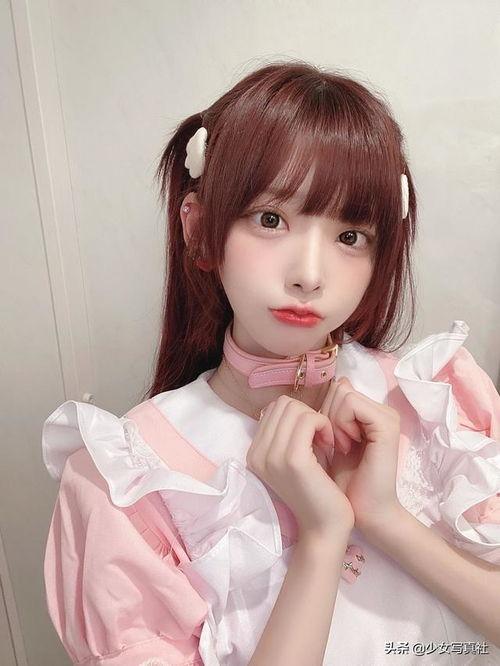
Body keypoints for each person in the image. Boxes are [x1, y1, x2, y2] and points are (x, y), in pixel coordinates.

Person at [41, 60, 500, 665]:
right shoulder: (129, 481)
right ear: (199, 230)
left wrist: (385, 518)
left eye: (350, 236)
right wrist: (321, 538)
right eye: (270, 219)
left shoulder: (436, 402)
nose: (309, 275)